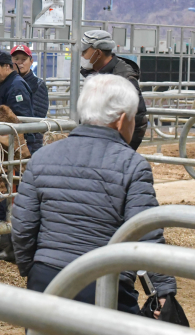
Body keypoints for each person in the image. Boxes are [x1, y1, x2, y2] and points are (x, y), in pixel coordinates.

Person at [12, 74, 176, 315]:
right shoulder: (132, 165)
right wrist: (163, 290)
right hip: (105, 284)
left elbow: (23, 227)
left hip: (47, 280)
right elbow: (146, 232)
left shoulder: (42, 158)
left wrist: (34, 270)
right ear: (122, 120)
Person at [0, 49, 35, 261]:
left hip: (16, 151)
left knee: (14, 197)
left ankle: (14, 247)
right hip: (6, 150)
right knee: (4, 194)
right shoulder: (6, 85)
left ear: (7, 66)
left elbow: (21, 121)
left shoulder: (16, 86)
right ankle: (5, 240)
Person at [80, 30, 147, 150]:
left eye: (84, 51)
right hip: (93, 145)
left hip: (112, 148)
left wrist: (123, 150)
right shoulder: (94, 73)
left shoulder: (123, 77)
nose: (82, 55)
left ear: (98, 53)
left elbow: (138, 117)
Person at [11, 44, 49, 151]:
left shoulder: (38, 85)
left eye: (24, 59)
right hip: (11, 138)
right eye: (16, 59)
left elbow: (37, 115)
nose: (19, 62)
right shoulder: (8, 84)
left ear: (31, 62)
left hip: (31, 141)